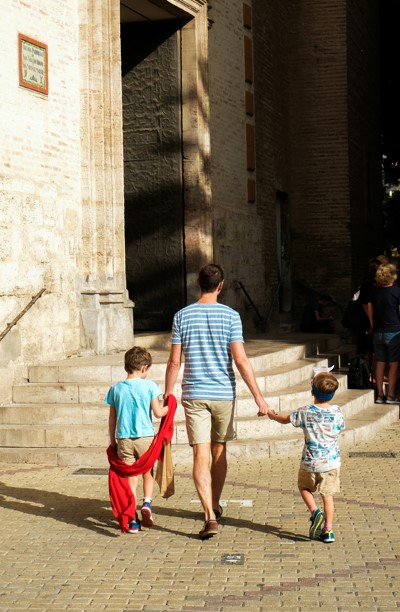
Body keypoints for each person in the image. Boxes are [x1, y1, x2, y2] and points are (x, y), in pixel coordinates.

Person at [164, 263, 271, 539]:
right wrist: (258, 396)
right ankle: (214, 503)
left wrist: (167, 394)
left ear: (197, 284)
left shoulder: (181, 316)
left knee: (199, 453)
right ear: (221, 286)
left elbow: (175, 361)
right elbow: (240, 359)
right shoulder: (231, 316)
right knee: (219, 450)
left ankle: (209, 516)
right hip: (223, 393)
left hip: (194, 394)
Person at [268, 371, 345, 543]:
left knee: (304, 487)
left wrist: (272, 415)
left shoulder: (305, 412)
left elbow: (285, 419)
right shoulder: (338, 413)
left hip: (310, 462)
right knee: (328, 496)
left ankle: (315, 512)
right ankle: (328, 531)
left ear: (312, 392)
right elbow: (341, 427)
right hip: (331, 463)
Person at [105, 346, 168, 533]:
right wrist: (170, 406)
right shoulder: (150, 386)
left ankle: (132, 519)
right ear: (143, 368)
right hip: (145, 437)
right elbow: (158, 413)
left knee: (130, 478)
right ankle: (147, 503)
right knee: (147, 471)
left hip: (123, 438)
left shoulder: (115, 389)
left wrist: (112, 441)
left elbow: (112, 418)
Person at [366, 263, 400, 404]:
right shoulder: (397, 292)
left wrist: (373, 327)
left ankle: (380, 395)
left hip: (378, 332)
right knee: (393, 365)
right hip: (394, 331)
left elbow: (370, 313)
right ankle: (391, 395)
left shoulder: (373, 292)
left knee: (379, 364)